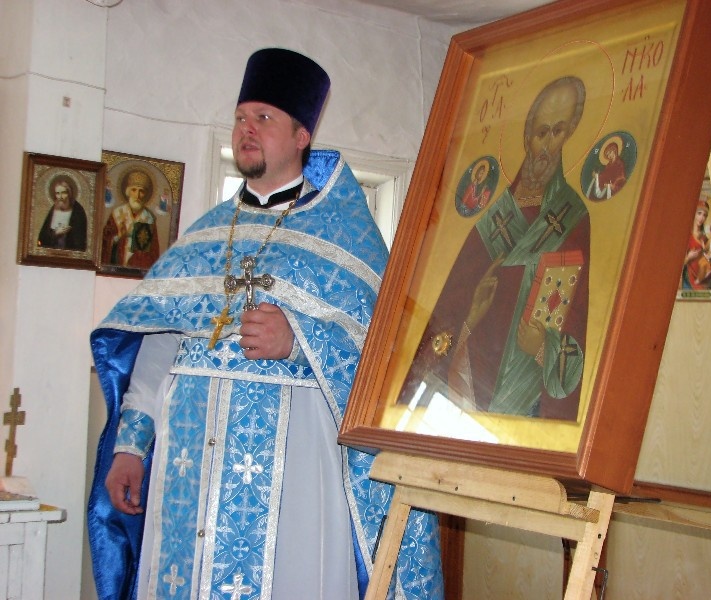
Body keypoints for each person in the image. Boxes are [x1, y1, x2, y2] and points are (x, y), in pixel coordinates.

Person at [87, 48, 443, 600]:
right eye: (240, 117)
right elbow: (160, 342)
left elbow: (386, 357)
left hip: (293, 474)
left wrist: (299, 341)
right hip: (186, 474)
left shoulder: (347, 237)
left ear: (302, 136)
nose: (246, 129)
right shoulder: (206, 233)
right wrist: (131, 447)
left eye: (263, 117)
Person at [399, 76, 590, 420]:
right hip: (470, 397)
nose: (547, 146)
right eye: (541, 132)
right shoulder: (493, 220)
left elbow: (577, 331)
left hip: (528, 407)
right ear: (527, 135)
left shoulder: (573, 218)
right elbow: (446, 313)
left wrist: (542, 349)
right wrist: (470, 318)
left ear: (570, 132)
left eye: (558, 131)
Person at [101, 168, 160, 269]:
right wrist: (118, 237)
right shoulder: (117, 214)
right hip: (117, 265)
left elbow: (154, 251)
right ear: (128, 192)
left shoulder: (149, 218)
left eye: (141, 191)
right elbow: (105, 243)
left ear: (145, 194)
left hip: (138, 267)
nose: (137, 195)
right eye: (134, 190)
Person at [37, 175, 88, 250]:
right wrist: (55, 233)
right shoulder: (53, 209)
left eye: (63, 193)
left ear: (69, 193)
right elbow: (42, 239)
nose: (60, 197)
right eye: (57, 193)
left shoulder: (78, 211)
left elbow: (80, 241)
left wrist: (68, 233)